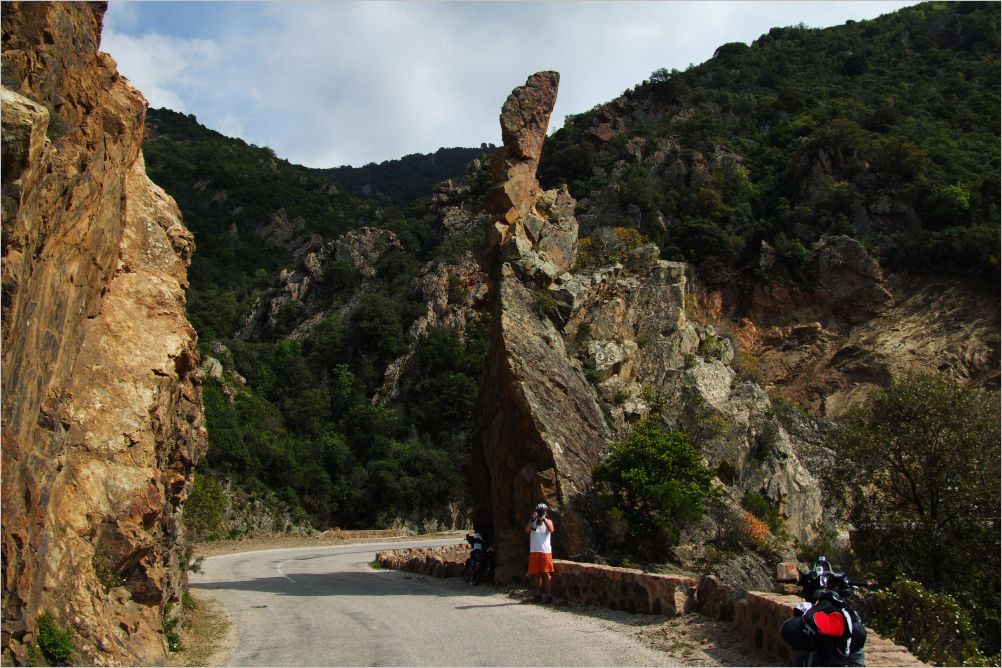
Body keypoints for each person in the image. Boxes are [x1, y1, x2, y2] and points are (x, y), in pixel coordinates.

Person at [525, 502, 555, 602]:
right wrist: (532, 520)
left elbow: (551, 529)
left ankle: (549, 595)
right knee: (536, 574)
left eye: (543, 511)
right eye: (540, 511)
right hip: (534, 551)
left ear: (546, 512)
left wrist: (544, 519)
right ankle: (538, 594)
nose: (542, 513)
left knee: (546, 573)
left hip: (545, 552)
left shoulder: (548, 521)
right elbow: (526, 530)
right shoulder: (533, 522)